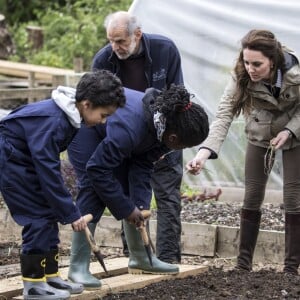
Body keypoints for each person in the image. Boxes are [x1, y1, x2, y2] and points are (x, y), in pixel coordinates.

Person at [0, 70, 126, 300]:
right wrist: (70, 211)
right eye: (104, 115)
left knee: (49, 213)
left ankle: (51, 276)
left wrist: (63, 209)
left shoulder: (69, 116)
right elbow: (47, 169)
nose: (104, 121)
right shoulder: (54, 120)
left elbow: (48, 166)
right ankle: (34, 285)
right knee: (37, 216)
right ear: (87, 104)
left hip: (25, 160)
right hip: (10, 161)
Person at [67, 85, 209, 287]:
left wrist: (140, 206)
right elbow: (97, 169)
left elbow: (143, 164)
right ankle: (77, 267)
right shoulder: (132, 128)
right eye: (184, 146)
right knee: (92, 189)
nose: (182, 150)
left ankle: (141, 258)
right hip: (86, 129)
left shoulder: (164, 126)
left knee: (128, 190)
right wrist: (127, 210)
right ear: (174, 138)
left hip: (113, 134)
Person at [186, 29, 300, 275]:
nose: (250, 68)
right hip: (260, 133)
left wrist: (290, 131)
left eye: (257, 63)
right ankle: (242, 265)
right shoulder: (241, 76)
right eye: (247, 62)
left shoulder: (296, 73)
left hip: (295, 135)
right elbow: (225, 114)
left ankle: (291, 270)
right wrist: (203, 153)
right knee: (252, 197)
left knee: (293, 198)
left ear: (274, 60)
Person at [91, 11, 184, 264]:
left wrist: (170, 140)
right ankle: (135, 255)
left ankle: (168, 258)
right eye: (111, 40)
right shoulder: (103, 60)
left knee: (167, 197)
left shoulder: (165, 50)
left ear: (138, 34)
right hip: (125, 139)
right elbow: (96, 106)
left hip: (164, 137)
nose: (115, 47)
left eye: (120, 41)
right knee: (127, 196)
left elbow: (178, 96)